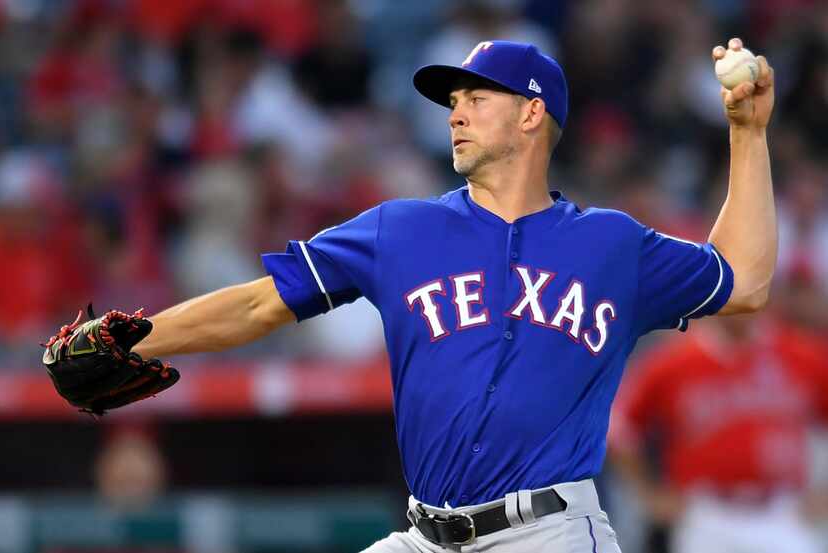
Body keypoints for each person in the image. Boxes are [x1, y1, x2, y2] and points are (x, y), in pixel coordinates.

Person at [130, 39, 777, 552]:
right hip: (425, 534)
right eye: (453, 101)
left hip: (546, 534)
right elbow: (257, 302)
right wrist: (135, 340)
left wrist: (747, 135)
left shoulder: (611, 246)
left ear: (531, 113)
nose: (456, 112)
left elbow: (742, 279)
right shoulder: (399, 230)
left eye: (475, 97)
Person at [610, 313, 827, 553]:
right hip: (708, 511)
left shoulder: (799, 353)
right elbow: (620, 428)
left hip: (782, 510)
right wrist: (649, 494)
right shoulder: (676, 359)